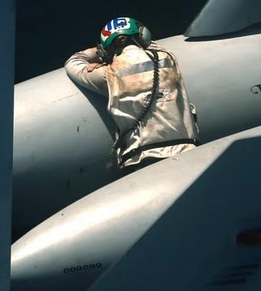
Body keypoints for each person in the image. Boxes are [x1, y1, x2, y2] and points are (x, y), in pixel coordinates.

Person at [65, 16, 199, 173]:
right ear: (143, 35)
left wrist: (101, 51)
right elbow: (149, 43)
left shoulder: (108, 74)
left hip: (142, 159)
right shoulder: (167, 57)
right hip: (187, 151)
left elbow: (73, 62)